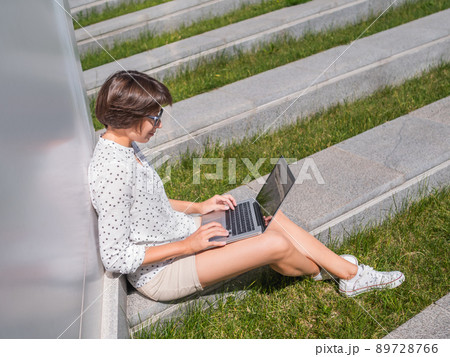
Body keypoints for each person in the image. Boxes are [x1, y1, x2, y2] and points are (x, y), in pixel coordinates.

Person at [88, 70, 405, 302]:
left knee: (263, 215)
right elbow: (115, 257)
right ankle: (336, 271)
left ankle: (345, 273)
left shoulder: (125, 146)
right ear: (128, 116)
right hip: (162, 273)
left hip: (180, 232)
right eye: (155, 117)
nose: (159, 124)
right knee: (276, 244)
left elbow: (149, 202)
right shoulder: (112, 173)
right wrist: (190, 245)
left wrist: (199, 208)